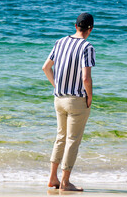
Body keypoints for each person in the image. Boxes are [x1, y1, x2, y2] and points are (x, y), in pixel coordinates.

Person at [42, 13, 95, 191]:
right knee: (72, 140)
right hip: (76, 100)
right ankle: (65, 182)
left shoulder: (60, 42)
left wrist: (57, 85)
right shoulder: (87, 47)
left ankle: (52, 178)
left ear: (75, 26)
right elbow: (86, 78)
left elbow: (46, 67)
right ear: (90, 29)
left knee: (60, 138)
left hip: (59, 98)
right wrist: (90, 96)